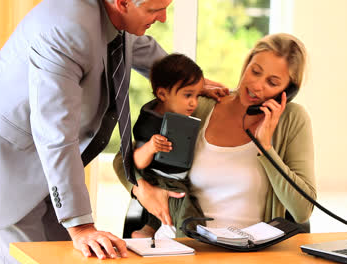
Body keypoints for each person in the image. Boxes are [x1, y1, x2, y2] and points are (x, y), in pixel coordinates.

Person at [0, 0, 226, 262]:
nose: (164, 18)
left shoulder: (117, 18)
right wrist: (82, 226)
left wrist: (192, 85)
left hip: (50, 173)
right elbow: (55, 133)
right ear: (122, 3)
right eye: (156, 10)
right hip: (2, 162)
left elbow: (144, 49)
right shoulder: (65, 29)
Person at [115, 33, 317, 238]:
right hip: (185, 246)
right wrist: (142, 188)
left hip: (250, 253)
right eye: (255, 71)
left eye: (272, 83)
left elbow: (302, 211)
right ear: (247, 64)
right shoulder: (200, 105)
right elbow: (123, 159)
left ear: (287, 91)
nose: (257, 85)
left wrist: (266, 148)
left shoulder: (292, 119)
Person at [131, 53, 208, 238]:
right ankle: (190, 241)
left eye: (198, 95)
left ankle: (147, 231)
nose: (194, 103)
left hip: (176, 177)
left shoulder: (174, 114)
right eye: (188, 95)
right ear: (162, 94)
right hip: (162, 179)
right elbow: (137, 161)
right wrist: (150, 147)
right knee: (188, 212)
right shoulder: (149, 123)